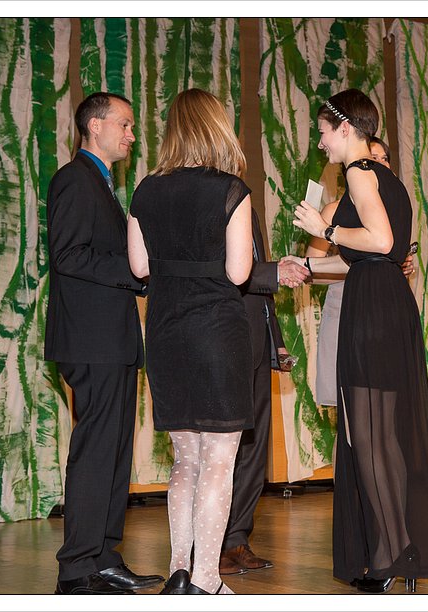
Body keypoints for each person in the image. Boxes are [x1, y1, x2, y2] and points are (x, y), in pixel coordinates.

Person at [287, 89, 428, 593]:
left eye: (323, 131)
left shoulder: (360, 172)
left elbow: (379, 242)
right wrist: (309, 262)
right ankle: (401, 552)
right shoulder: (388, 179)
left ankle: (388, 555)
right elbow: (378, 253)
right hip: (387, 301)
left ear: (345, 128)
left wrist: (325, 228)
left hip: (372, 309)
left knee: (368, 439)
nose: (320, 142)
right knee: (383, 438)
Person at [127, 88, 255, 595]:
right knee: (219, 460)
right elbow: (239, 272)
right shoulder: (230, 190)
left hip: (165, 333)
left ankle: (180, 570)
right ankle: (206, 579)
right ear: (215, 127)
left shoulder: (145, 189)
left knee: (185, 460)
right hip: (216, 333)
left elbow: (139, 266)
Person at [45, 92, 164, 594]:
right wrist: (137, 273)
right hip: (90, 340)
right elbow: (68, 255)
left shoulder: (101, 183)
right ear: (94, 125)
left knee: (114, 452)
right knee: (96, 453)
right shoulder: (74, 179)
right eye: (125, 124)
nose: (132, 134)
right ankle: (77, 568)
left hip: (110, 341)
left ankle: (103, 557)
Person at [219, 209, 310, 575]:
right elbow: (221, 270)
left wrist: (277, 342)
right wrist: (274, 273)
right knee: (222, 451)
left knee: (254, 450)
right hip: (223, 342)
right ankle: (211, 545)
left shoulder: (247, 207)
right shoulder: (208, 200)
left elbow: (256, 278)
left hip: (257, 342)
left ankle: (237, 539)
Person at [305, 136, 404, 409]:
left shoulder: (394, 206)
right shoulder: (334, 211)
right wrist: (362, 266)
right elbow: (311, 270)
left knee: (386, 404)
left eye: (385, 159)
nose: (380, 164)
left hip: (385, 310)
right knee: (351, 406)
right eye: (373, 158)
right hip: (345, 306)